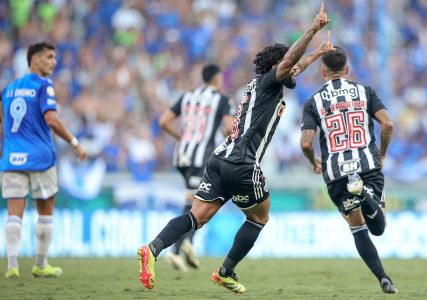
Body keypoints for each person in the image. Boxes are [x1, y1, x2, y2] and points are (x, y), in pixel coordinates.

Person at [137, 3, 334, 293]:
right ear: (277, 67)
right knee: (259, 216)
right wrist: (313, 29)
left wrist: (318, 53)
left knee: (197, 216)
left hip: (219, 159)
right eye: (289, 66)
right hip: (242, 163)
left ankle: (152, 249)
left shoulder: (260, 84)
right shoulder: (271, 82)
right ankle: (226, 271)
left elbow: (296, 64)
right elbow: (291, 60)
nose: (295, 71)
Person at [299, 46, 397, 294]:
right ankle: (363, 193)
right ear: (347, 70)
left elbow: (305, 142)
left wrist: (313, 161)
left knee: (358, 227)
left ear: (322, 72)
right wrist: (382, 154)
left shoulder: (313, 101)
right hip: (367, 166)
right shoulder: (365, 92)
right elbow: (387, 124)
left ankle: (383, 278)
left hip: (336, 173)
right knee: (379, 228)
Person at [1, 42, 87, 279]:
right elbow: (52, 119)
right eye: (49, 57)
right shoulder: (44, 86)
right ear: (35, 59)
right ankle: (40, 264)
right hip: (40, 157)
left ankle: (12, 266)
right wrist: (75, 143)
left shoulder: (8, 89)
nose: (54, 62)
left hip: (12, 158)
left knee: (13, 213)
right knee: (45, 211)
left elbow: (3, 121)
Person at [158, 64, 235, 272]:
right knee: (201, 201)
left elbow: (164, 121)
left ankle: (186, 244)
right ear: (218, 79)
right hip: (200, 158)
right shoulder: (222, 99)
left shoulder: (187, 96)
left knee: (195, 199)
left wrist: (181, 138)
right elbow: (229, 128)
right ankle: (178, 248)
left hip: (182, 156)